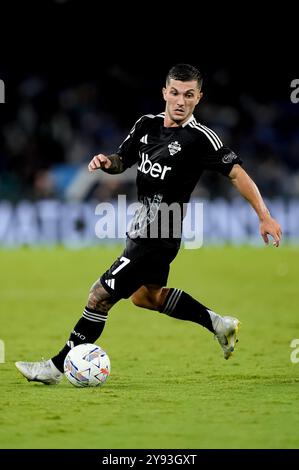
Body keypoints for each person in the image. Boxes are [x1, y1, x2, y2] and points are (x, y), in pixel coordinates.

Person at [15, 64, 282, 385]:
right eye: (175, 93)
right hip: (141, 228)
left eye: (189, 95)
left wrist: (264, 215)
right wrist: (105, 162)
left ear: (199, 98)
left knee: (99, 296)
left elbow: (238, 173)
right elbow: (121, 161)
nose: (180, 101)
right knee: (147, 297)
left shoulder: (201, 138)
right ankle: (219, 324)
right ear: (164, 92)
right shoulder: (146, 125)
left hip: (161, 232)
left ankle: (55, 369)